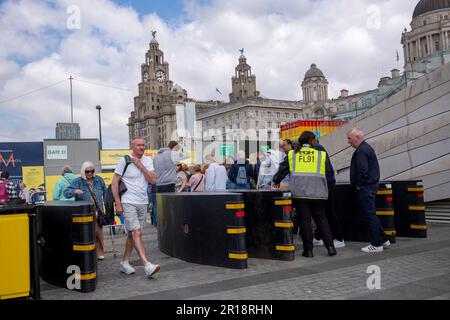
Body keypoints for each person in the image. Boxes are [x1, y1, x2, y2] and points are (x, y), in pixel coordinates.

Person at [273, 131, 337, 258]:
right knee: (321, 219)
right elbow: (329, 174)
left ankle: (308, 251)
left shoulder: (292, 155)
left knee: (305, 221)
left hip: (300, 194)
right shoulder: (321, 154)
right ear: (312, 140)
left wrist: (276, 181)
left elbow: (282, 170)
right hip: (318, 193)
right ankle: (330, 247)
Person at [111, 137, 160, 278]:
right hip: (128, 201)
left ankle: (124, 262)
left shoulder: (148, 161)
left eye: (143, 145)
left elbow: (153, 180)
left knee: (133, 234)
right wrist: (118, 203)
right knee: (136, 232)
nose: (141, 147)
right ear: (132, 146)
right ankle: (147, 265)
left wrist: (140, 166)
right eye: (138, 145)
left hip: (142, 201)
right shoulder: (124, 160)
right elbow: (115, 183)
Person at [348, 128, 390, 253]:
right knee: (371, 214)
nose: (348, 142)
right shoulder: (366, 148)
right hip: (370, 186)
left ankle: (376, 244)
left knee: (369, 215)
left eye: (349, 138)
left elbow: (362, 171)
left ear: (357, 137)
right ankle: (383, 239)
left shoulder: (361, 151)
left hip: (366, 187)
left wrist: (359, 186)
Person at [64, 162, 107, 260]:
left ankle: (100, 252)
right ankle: (88, 252)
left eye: (92, 171)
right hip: (84, 212)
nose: (90, 173)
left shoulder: (99, 180)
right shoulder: (77, 182)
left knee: (98, 232)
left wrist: (108, 207)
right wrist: (74, 191)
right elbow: (66, 193)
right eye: (88, 171)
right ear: (83, 171)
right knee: (86, 233)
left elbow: (106, 193)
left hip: (98, 211)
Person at [311, 137, 345, 248]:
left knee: (329, 211)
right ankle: (319, 237)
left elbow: (324, 169)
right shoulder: (318, 148)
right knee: (323, 212)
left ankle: (339, 238)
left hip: (326, 184)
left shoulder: (317, 148)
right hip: (326, 183)